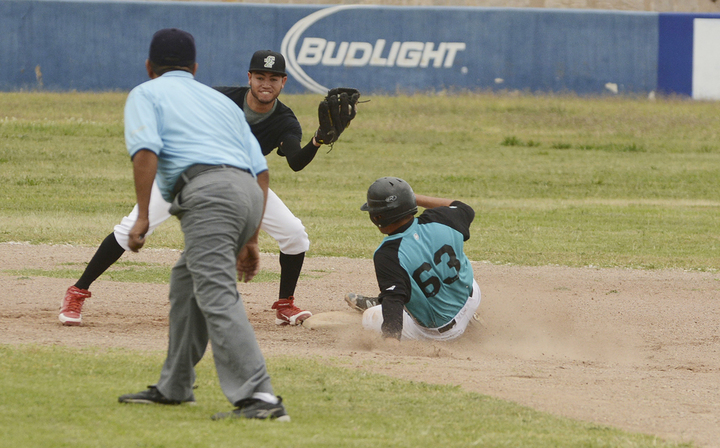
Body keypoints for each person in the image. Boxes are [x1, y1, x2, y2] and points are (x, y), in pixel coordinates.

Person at [59, 49, 329, 327]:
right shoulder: (221, 99)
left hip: (241, 183)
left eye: (273, 78)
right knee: (132, 229)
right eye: (260, 76)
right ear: (249, 77)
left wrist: (318, 140)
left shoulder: (284, 119)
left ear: (283, 82)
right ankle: (77, 291)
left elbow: (295, 161)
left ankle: (285, 305)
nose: (265, 84)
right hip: (185, 175)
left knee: (295, 235)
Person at [116, 28, 289, 421]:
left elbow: (145, 152)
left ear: (149, 67)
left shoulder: (146, 92)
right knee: (186, 283)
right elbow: (261, 173)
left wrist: (143, 215)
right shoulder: (217, 99)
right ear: (194, 68)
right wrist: (252, 239)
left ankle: (260, 397)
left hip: (209, 195)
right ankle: (175, 386)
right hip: (246, 191)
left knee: (215, 293)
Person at [345, 177, 481, 342]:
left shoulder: (387, 254)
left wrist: (390, 341)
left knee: (371, 315)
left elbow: (393, 302)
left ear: (376, 218)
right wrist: (408, 197)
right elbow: (463, 207)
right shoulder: (442, 217)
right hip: (472, 298)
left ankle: (383, 305)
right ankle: (471, 316)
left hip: (443, 332)